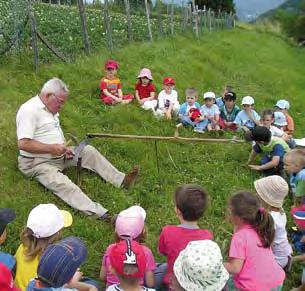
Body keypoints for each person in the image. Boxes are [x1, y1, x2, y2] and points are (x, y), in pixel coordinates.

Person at [16, 78, 139, 219]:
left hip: (57, 154)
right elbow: (23, 144)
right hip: (36, 163)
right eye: (60, 102)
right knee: (65, 185)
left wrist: (63, 149)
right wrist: (51, 148)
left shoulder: (50, 108)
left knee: (88, 151)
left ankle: (122, 181)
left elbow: (47, 135)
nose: (62, 106)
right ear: (48, 95)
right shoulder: (29, 110)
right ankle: (103, 215)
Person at [224, 191, 285, 291]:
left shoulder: (240, 237)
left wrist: (218, 264)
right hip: (276, 283)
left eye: (229, 210)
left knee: (227, 283)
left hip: (254, 287)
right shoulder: (261, 228)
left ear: (238, 217)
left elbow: (235, 268)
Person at [156, 184, 213, 289]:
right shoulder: (207, 236)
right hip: (195, 285)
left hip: (172, 283)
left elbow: (161, 251)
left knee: (157, 270)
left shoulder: (168, 231)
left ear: (178, 211)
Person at [15, 204, 73, 291]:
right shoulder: (54, 261)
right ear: (57, 234)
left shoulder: (23, 246)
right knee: (90, 283)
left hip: (16, 287)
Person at [100, 206, 156, 289]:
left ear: (117, 231)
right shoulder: (146, 252)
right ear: (143, 231)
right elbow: (150, 283)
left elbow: (102, 276)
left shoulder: (111, 249)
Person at [26, 236, 97, 291]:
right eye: (76, 269)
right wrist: (91, 287)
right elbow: (92, 289)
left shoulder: (31, 283)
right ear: (69, 279)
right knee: (92, 283)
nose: (78, 269)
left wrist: (70, 282)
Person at [254, 175, 292, 269]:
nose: (255, 194)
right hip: (284, 252)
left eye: (259, 193)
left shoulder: (270, 219)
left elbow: (267, 243)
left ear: (266, 199)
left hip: (276, 259)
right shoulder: (279, 210)